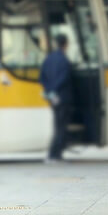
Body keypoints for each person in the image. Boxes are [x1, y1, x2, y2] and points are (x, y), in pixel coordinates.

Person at [40, 34, 74, 162]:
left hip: (52, 98)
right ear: (65, 44)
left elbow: (42, 77)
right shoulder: (64, 60)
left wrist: (50, 91)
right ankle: (55, 154)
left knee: (56, 125)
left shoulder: (48, 59)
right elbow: (65, 78)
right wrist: (55, 89)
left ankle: (53, 153)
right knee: (61, 126)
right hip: (63, 97)